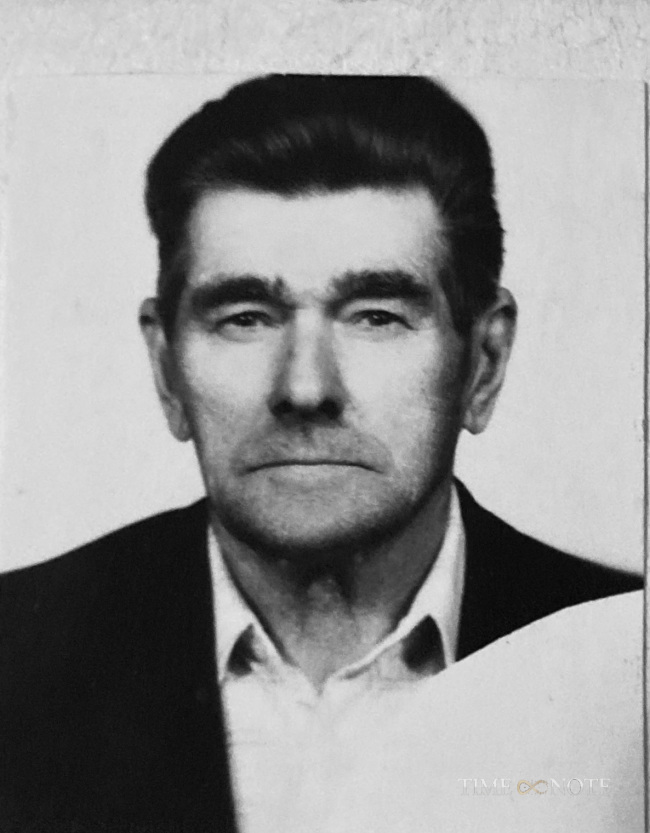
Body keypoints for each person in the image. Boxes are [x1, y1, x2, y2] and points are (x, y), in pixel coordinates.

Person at [0, 74, 642, 833]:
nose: (306, 387)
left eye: (376, 316)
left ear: (484, 362)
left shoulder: (628, 659)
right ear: (166, 367)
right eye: (245, 317)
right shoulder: (16, 656)